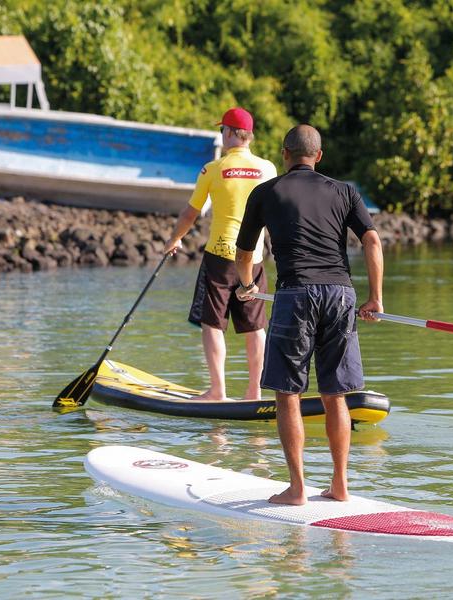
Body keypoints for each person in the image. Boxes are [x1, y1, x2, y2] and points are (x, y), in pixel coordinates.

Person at [235, 124, 384, 505]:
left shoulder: (267, 191)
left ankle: (298, 488)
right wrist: (375, 298)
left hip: (295, 293)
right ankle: (340, 486)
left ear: (285, 154)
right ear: (319, 156)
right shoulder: (345, 191)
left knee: (288, 394)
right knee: (335, 394)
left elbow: (245, 252)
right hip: (340, 294)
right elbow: (371, 239)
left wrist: (246, 284)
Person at [164, 107, 277, 401]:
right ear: (249, 136)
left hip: (221, 256)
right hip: (254, 258)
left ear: (228, 133)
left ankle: (217, 391)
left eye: (222, 130)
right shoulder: (268, 169)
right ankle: (255, 392)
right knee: (255, 327)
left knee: (213, 323)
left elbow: (191, 212)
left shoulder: (212, 169)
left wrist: (175, 238)